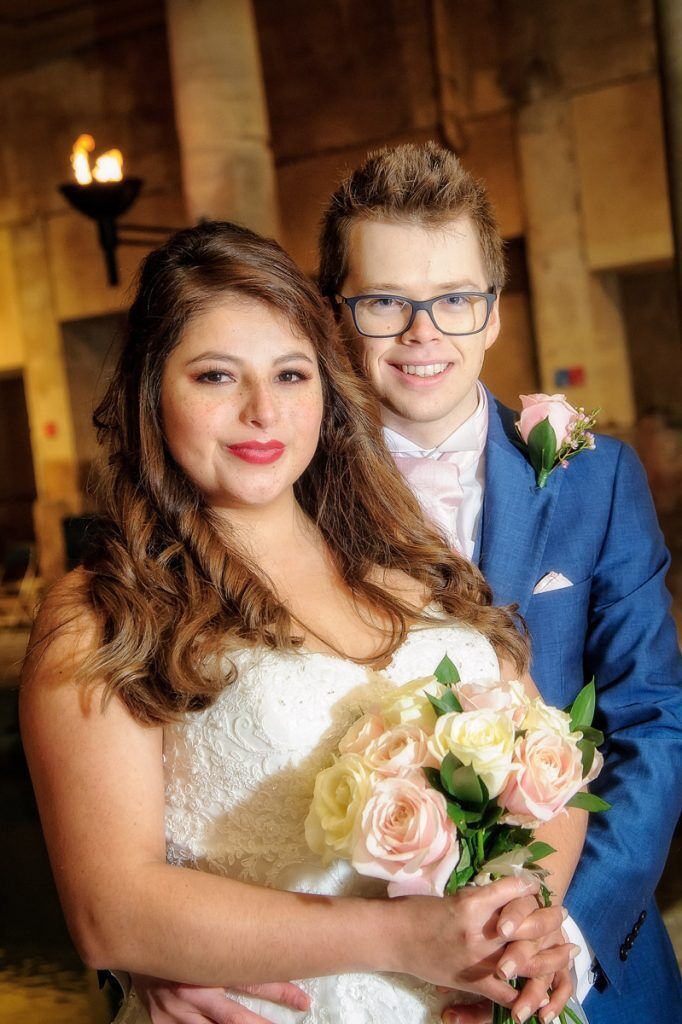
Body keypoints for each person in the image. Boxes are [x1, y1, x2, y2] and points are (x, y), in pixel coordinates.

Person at [20, 222, 583, 1024]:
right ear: (151, 394)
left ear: (327, 391)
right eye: (216, 376)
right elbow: (110, 912)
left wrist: (521, 927)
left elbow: (552, 775)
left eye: (290, 374)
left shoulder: (414, 564)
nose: (262, 411)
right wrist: (402, 940)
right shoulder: (105, 611)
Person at [315, 142, 682, 1023]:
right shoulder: (289, 497)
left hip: (587, 970)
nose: (423, 333)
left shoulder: (597, 481)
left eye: (454, 300)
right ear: (335, 317)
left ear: (493, 315)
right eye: (384, 302)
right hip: (362, 978)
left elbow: (653, 718)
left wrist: (566, 933)